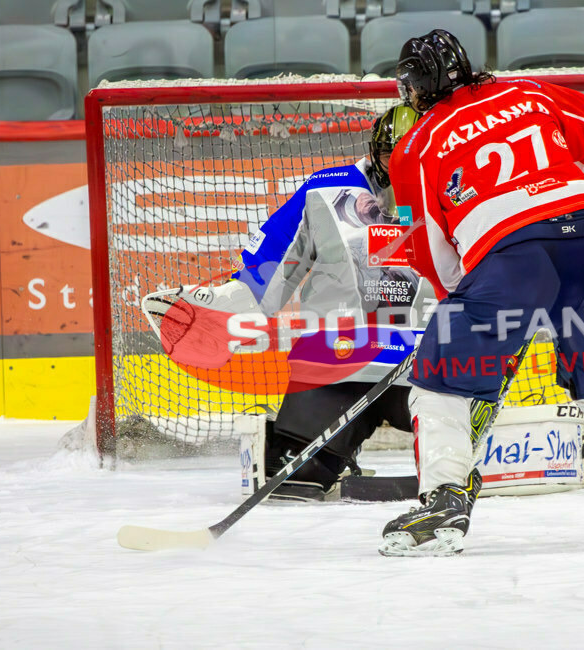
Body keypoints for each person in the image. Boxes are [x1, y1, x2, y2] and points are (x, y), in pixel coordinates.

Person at [379, 29, 584, 556]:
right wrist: (564, 195)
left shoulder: (414, 146)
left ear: (414, 86)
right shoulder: (529, 91)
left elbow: (430, 249)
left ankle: (443, 501)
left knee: (440, 381)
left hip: (509, 251)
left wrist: (466, 301)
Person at [147, 104, 429, 501]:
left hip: (431, 366)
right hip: (343, 361)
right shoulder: (325, 191)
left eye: (415, 157)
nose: (401, 167)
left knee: (455, 459)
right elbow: (271, 263)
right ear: (375, 152)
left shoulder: (458, 190)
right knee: (296, 478)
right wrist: (227, 306)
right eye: (391, 156)